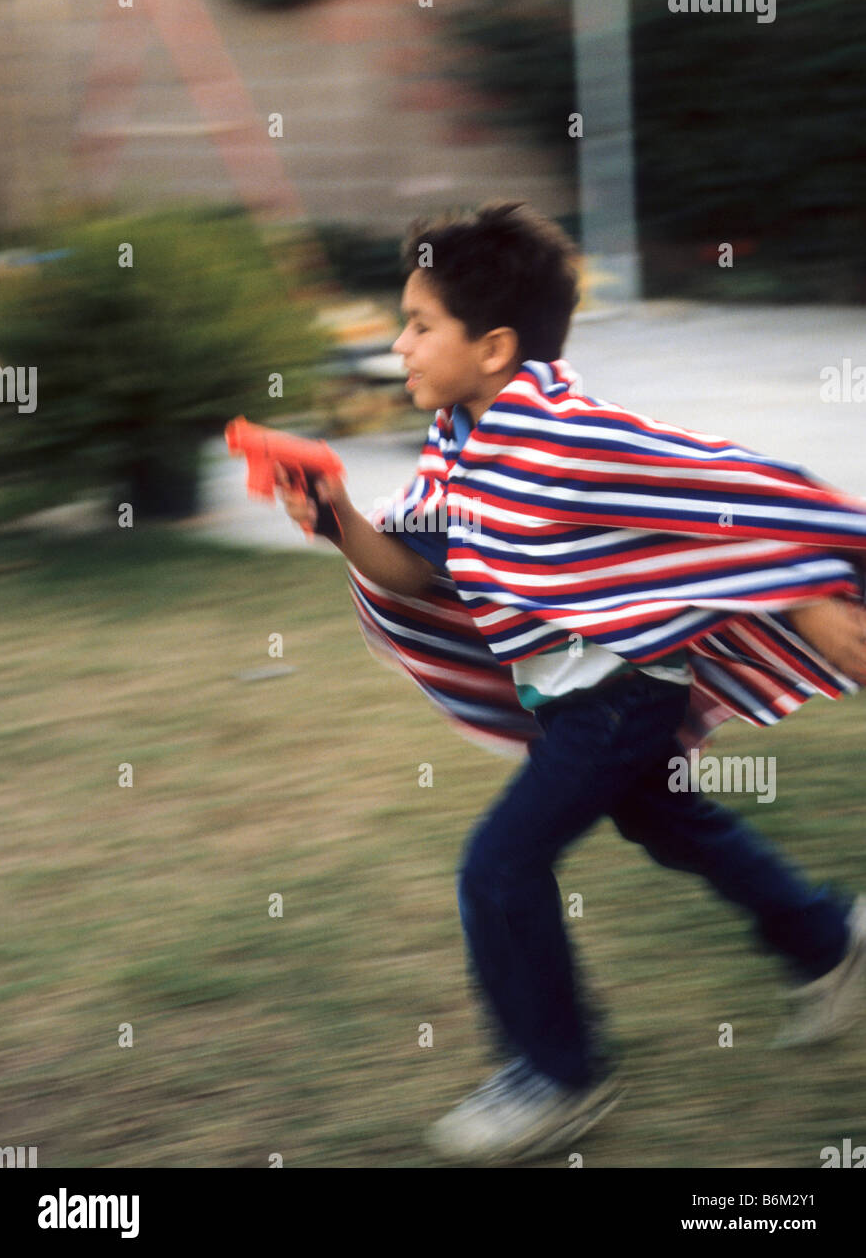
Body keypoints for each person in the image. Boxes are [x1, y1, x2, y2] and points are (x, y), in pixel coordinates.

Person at [274, 200, 866, 1166]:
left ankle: (557, 1075)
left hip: (624, 693)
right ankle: (824, 935)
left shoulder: (567, 435)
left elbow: (726, 486)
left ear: (496, 344)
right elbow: (423, 571)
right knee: (671, 822)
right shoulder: (465, 443)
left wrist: (802, 591)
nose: (399, 343)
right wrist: (336, 513)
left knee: (499, 866)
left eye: (421, 324)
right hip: (574, 698)